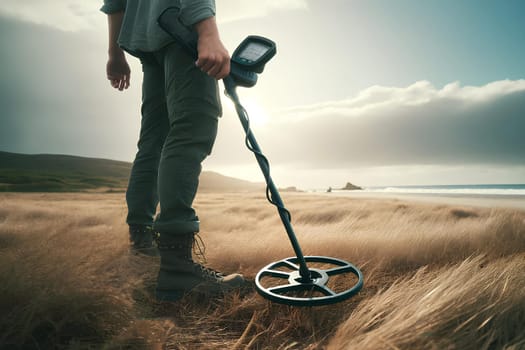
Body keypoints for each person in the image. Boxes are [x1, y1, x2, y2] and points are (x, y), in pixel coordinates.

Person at [101, 0, 244, 302]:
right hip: (180, 27)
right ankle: (177, 267)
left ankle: (142, 246)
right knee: (194, 126)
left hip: (146, 39)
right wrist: (206, 30)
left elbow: (114, 2)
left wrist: (115, 52)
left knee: (153, 141)